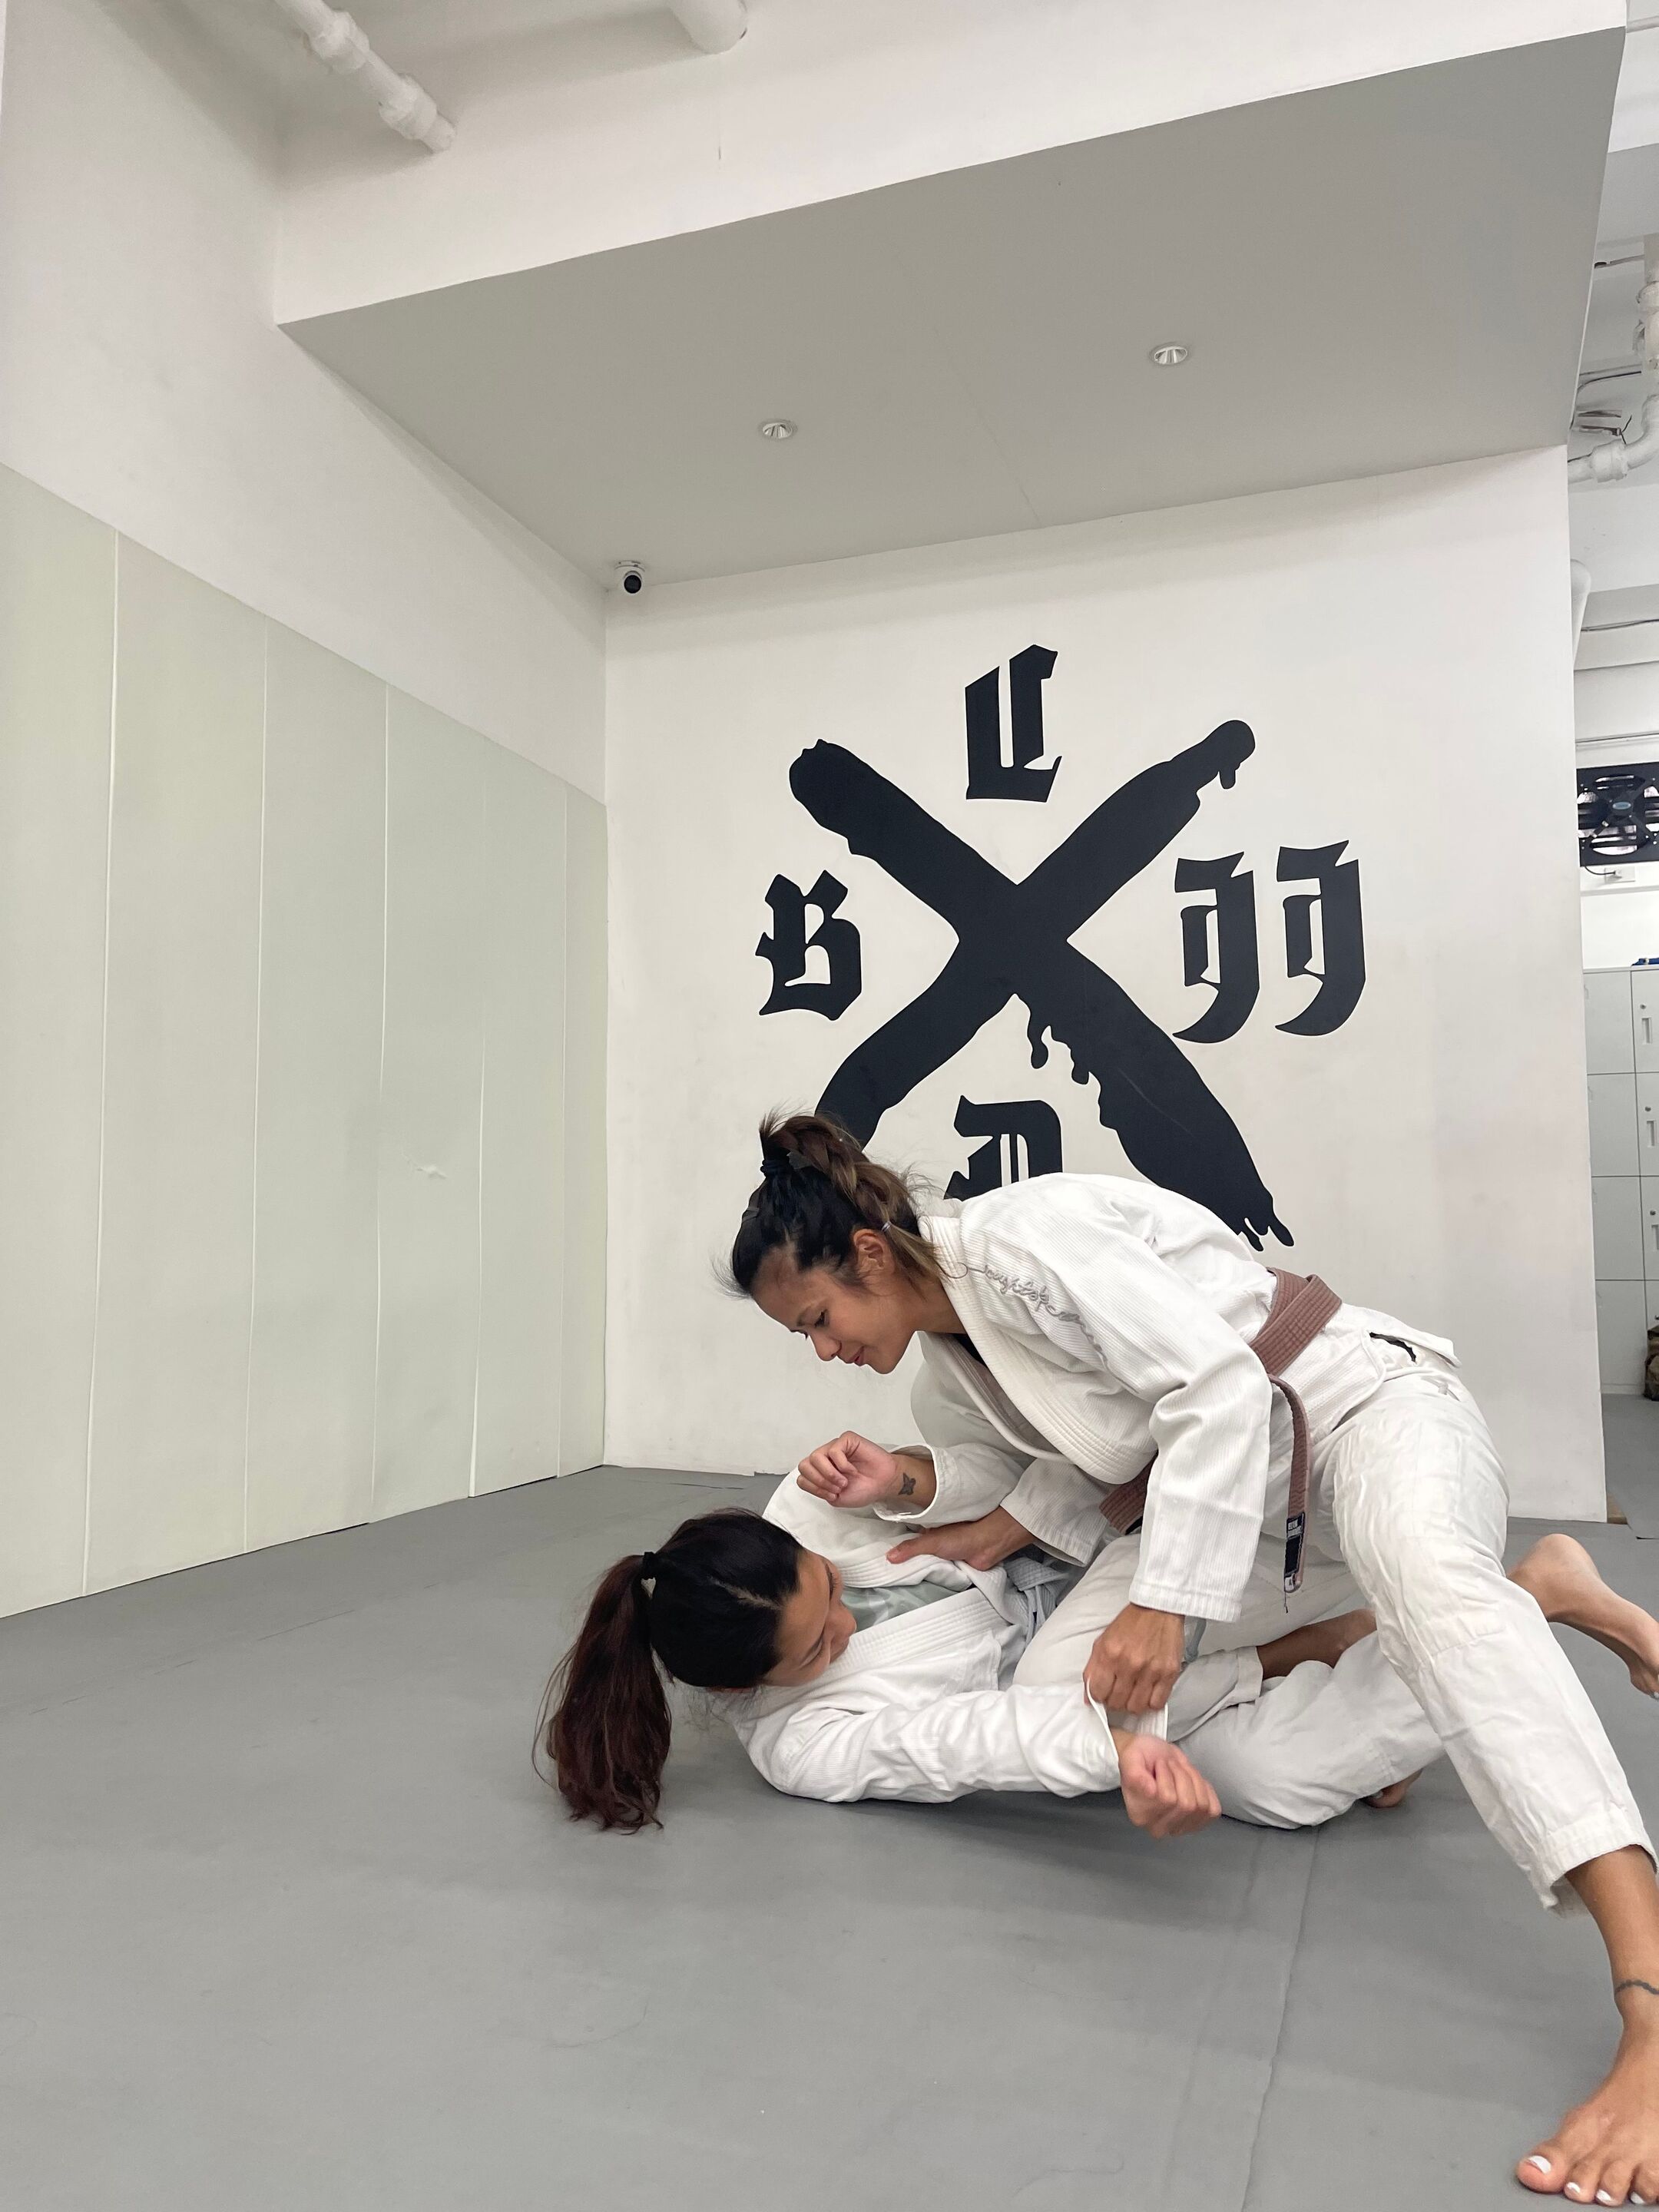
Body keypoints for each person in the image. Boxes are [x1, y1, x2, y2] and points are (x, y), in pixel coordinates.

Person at [731, 1113, 1659, 2207]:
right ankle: (1538, 1594)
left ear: (871, 1256)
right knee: (1240, 1770)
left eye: (819, 1319)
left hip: (1361, 1416)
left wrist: (1167, 1608)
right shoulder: (944, 1365)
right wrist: (914, 1480)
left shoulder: (1026, 1240)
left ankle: (1647, 2012)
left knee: (1440, 1599)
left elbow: (1217, 1387)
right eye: (807, 1338)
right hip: (1231, 1518)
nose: (826, 1349)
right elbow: (1017, 1457)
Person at [544, 1481, 1441, 1841]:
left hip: (1107, 1556)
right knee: (1274, 1783)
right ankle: (1481, 1624)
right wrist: (1114, 1754)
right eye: (820, 1647)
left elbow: (997, 1463)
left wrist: (906, 1474)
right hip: (1080, 1682)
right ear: (741, 1685)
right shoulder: (802, 1745)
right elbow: (959, 1742)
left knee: (1075, 1682)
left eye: (829, 1588)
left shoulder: (809, 1506)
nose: (847, 1624)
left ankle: (1309, 1648)